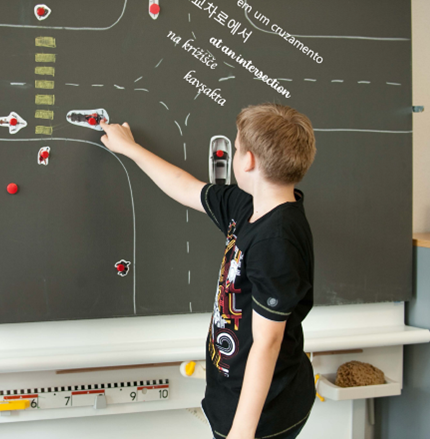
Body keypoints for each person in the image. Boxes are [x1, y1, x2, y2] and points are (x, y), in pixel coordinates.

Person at [100, 103, 316, 439]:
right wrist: (130, 148)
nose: (234, 155)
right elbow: (186, 186)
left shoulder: (276, 240)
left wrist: (242, 432)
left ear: (248, 161)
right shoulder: (248, 204)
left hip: (263, 412)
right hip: (232, 392)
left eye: (236, 147)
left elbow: (268, 342)